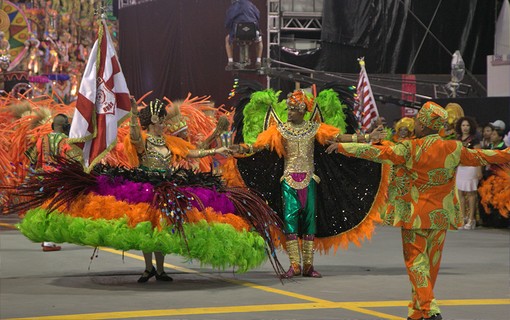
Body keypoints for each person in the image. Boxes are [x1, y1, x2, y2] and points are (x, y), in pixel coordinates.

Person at [326, 101, 510, 320]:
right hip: (440, 216)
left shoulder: (409, 148)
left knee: (416, 263)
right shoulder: (454, 148)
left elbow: (376, 152)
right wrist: (507, 153)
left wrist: (341, 147)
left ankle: (430, 308)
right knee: (430, 266)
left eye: (417, 123)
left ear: (423, 125)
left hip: (415, 215)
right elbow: (487, 156)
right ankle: (416, 311)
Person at [231, 89, 384, 279]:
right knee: (290, 222)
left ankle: (309, 266)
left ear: (302, 110)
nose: (290, 113)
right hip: (287, 182)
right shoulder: (280, 130)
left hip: (309, 181)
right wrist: (242, 149)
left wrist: (368, 138)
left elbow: (338, 138)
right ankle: (295, 265)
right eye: (289, 109)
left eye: (293, 109)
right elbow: (259, 145)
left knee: (310, 223)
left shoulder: (314, 129)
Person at [128, 98, 232, 282]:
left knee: (161, 227)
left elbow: (191, 152)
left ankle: (160, 270)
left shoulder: (169, 142)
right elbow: (134, 136)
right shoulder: (144, 142)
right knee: (147, 228)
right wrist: (134, 114)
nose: (164, 125)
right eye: (161, 121)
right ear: (153, 120)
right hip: (147, 189)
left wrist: (215, 150)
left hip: (166, 188)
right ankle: (147, 267)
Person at [25, 114, 76, 252]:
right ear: (66, 126)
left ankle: (45, 239)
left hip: (43, 178)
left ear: (53, 125)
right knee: (55, 208)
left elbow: (32, 159)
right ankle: (49, 241)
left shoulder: (42, 138)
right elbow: (71, 161)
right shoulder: (67, 140)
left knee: (45, 207)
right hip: (58, 179)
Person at [454, 116, 481, 230]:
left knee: (471, 194)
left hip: (471, 168)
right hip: (460, 168)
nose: (465, 128)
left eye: (467, 125)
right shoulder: (458, 139)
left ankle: (471, 219)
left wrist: (479, 169)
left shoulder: (474, 140)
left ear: (471, 127)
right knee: (460, 193)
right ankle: (463, 217)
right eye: (463, 125)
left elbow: (478, 155)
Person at [225, 0, 263, 70]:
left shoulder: (234, 6)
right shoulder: (251, 5)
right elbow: (258, 15)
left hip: (238, 32)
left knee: (227, 39)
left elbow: (229, 19)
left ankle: (230, 62)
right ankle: (258, 61)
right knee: (259, 40)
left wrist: (228, 27)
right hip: (252, 32)